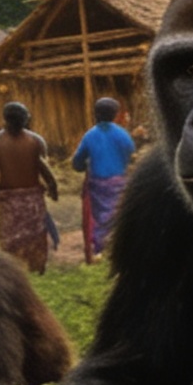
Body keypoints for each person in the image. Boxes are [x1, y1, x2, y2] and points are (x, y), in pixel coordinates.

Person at [0, 99, 59, 273]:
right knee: (32, 232)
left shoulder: (21, 141)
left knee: (20, 234)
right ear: (25, 120)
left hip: (20, 197)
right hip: (24, 197)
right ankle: (33, 264)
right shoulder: (28, 140)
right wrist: (52, 185)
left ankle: (31, 264)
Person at [70, 95, 136, 261]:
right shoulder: (122, 134)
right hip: (120, 181)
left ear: (96, 114)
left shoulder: (90, 136)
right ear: (115, 114)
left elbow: (77, 162)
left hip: (98, 184)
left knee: (100, 216)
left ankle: (100, 249)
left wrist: (83, 166)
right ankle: (119, 244)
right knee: (118, 212)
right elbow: (130, 153)